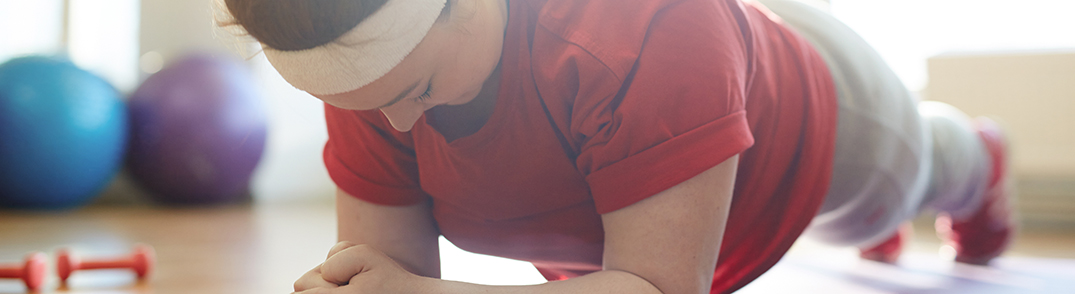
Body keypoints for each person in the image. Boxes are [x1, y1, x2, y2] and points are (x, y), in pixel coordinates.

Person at [219, 0, 1014, 293]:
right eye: (359, 106)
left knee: (903, 186)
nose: (393, 126)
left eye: (416, 90)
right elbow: (381, 277)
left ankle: (979, 157)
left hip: (826, 122)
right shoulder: (379, 87)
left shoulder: (648, 25)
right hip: (667, 129)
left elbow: (657, 287)